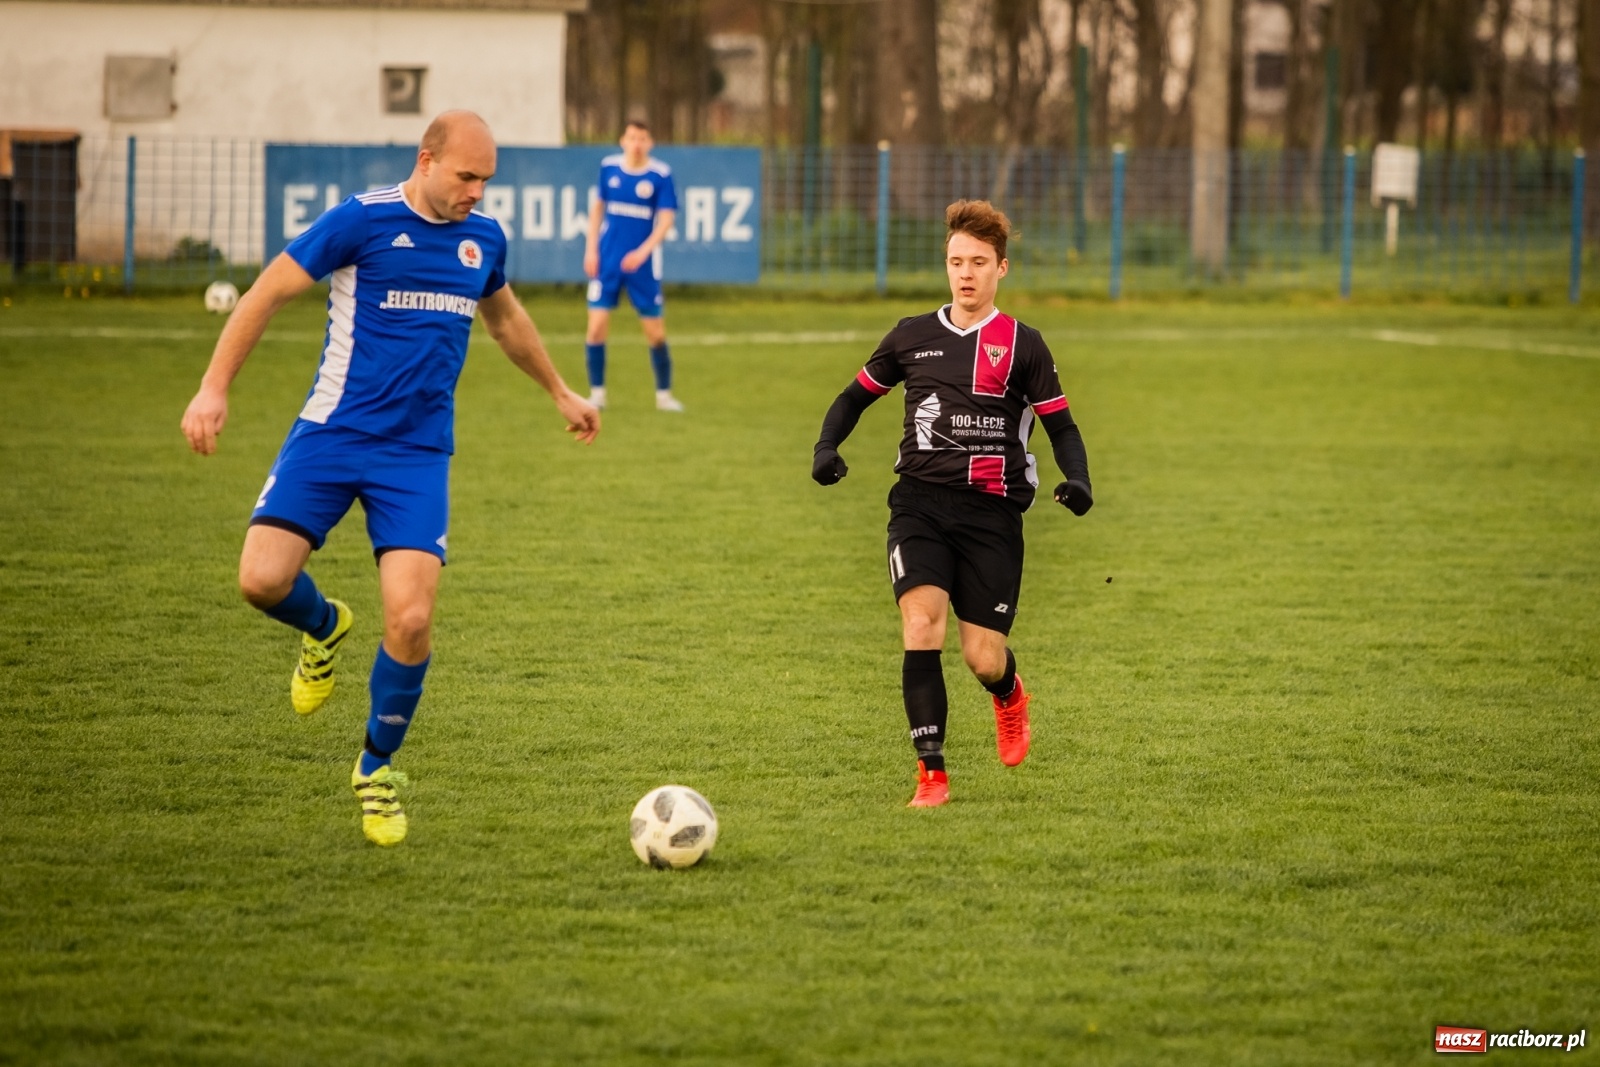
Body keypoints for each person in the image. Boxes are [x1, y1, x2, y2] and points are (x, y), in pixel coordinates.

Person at [180, 110, 600, 846]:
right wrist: (214, 388)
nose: (477, 191)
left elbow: (504, 322)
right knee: (260, 581)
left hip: (416, 456)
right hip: (331, 433)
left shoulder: (483, 241)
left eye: (486, 180)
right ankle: (324, 625)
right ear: (427, 159)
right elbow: (265, 294)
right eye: (466, 176)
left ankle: (376, 768)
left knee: (410, 619)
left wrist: (561, 390)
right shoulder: (361, 220)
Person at [811, 200, 1093, 808]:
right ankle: (931, 776)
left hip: (992, 515)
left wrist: (1079, 480)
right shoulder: (912, 335)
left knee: (982, 657)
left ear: (1002, 269)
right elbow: (853, 397)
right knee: (920, 625)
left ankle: (1010, 693)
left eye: (978, 263)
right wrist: (826, 446)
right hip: (918, 503)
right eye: (955, 262)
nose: (965, 274)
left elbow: (1061, 427)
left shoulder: (1024, 345)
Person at [581, 119, 684, 413]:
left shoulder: (660, 175)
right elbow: (598, 208)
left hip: (643, 266)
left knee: (656, 334)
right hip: (607, 261)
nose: (637, 144)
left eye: (642, 138)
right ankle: (597, 394)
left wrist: (643, 252)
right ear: (622, 140)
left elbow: (665, 220)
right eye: (632, 138)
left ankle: (664, 395)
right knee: (596, 328)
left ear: (649, 143)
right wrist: (590, 250)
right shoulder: (609, 168)